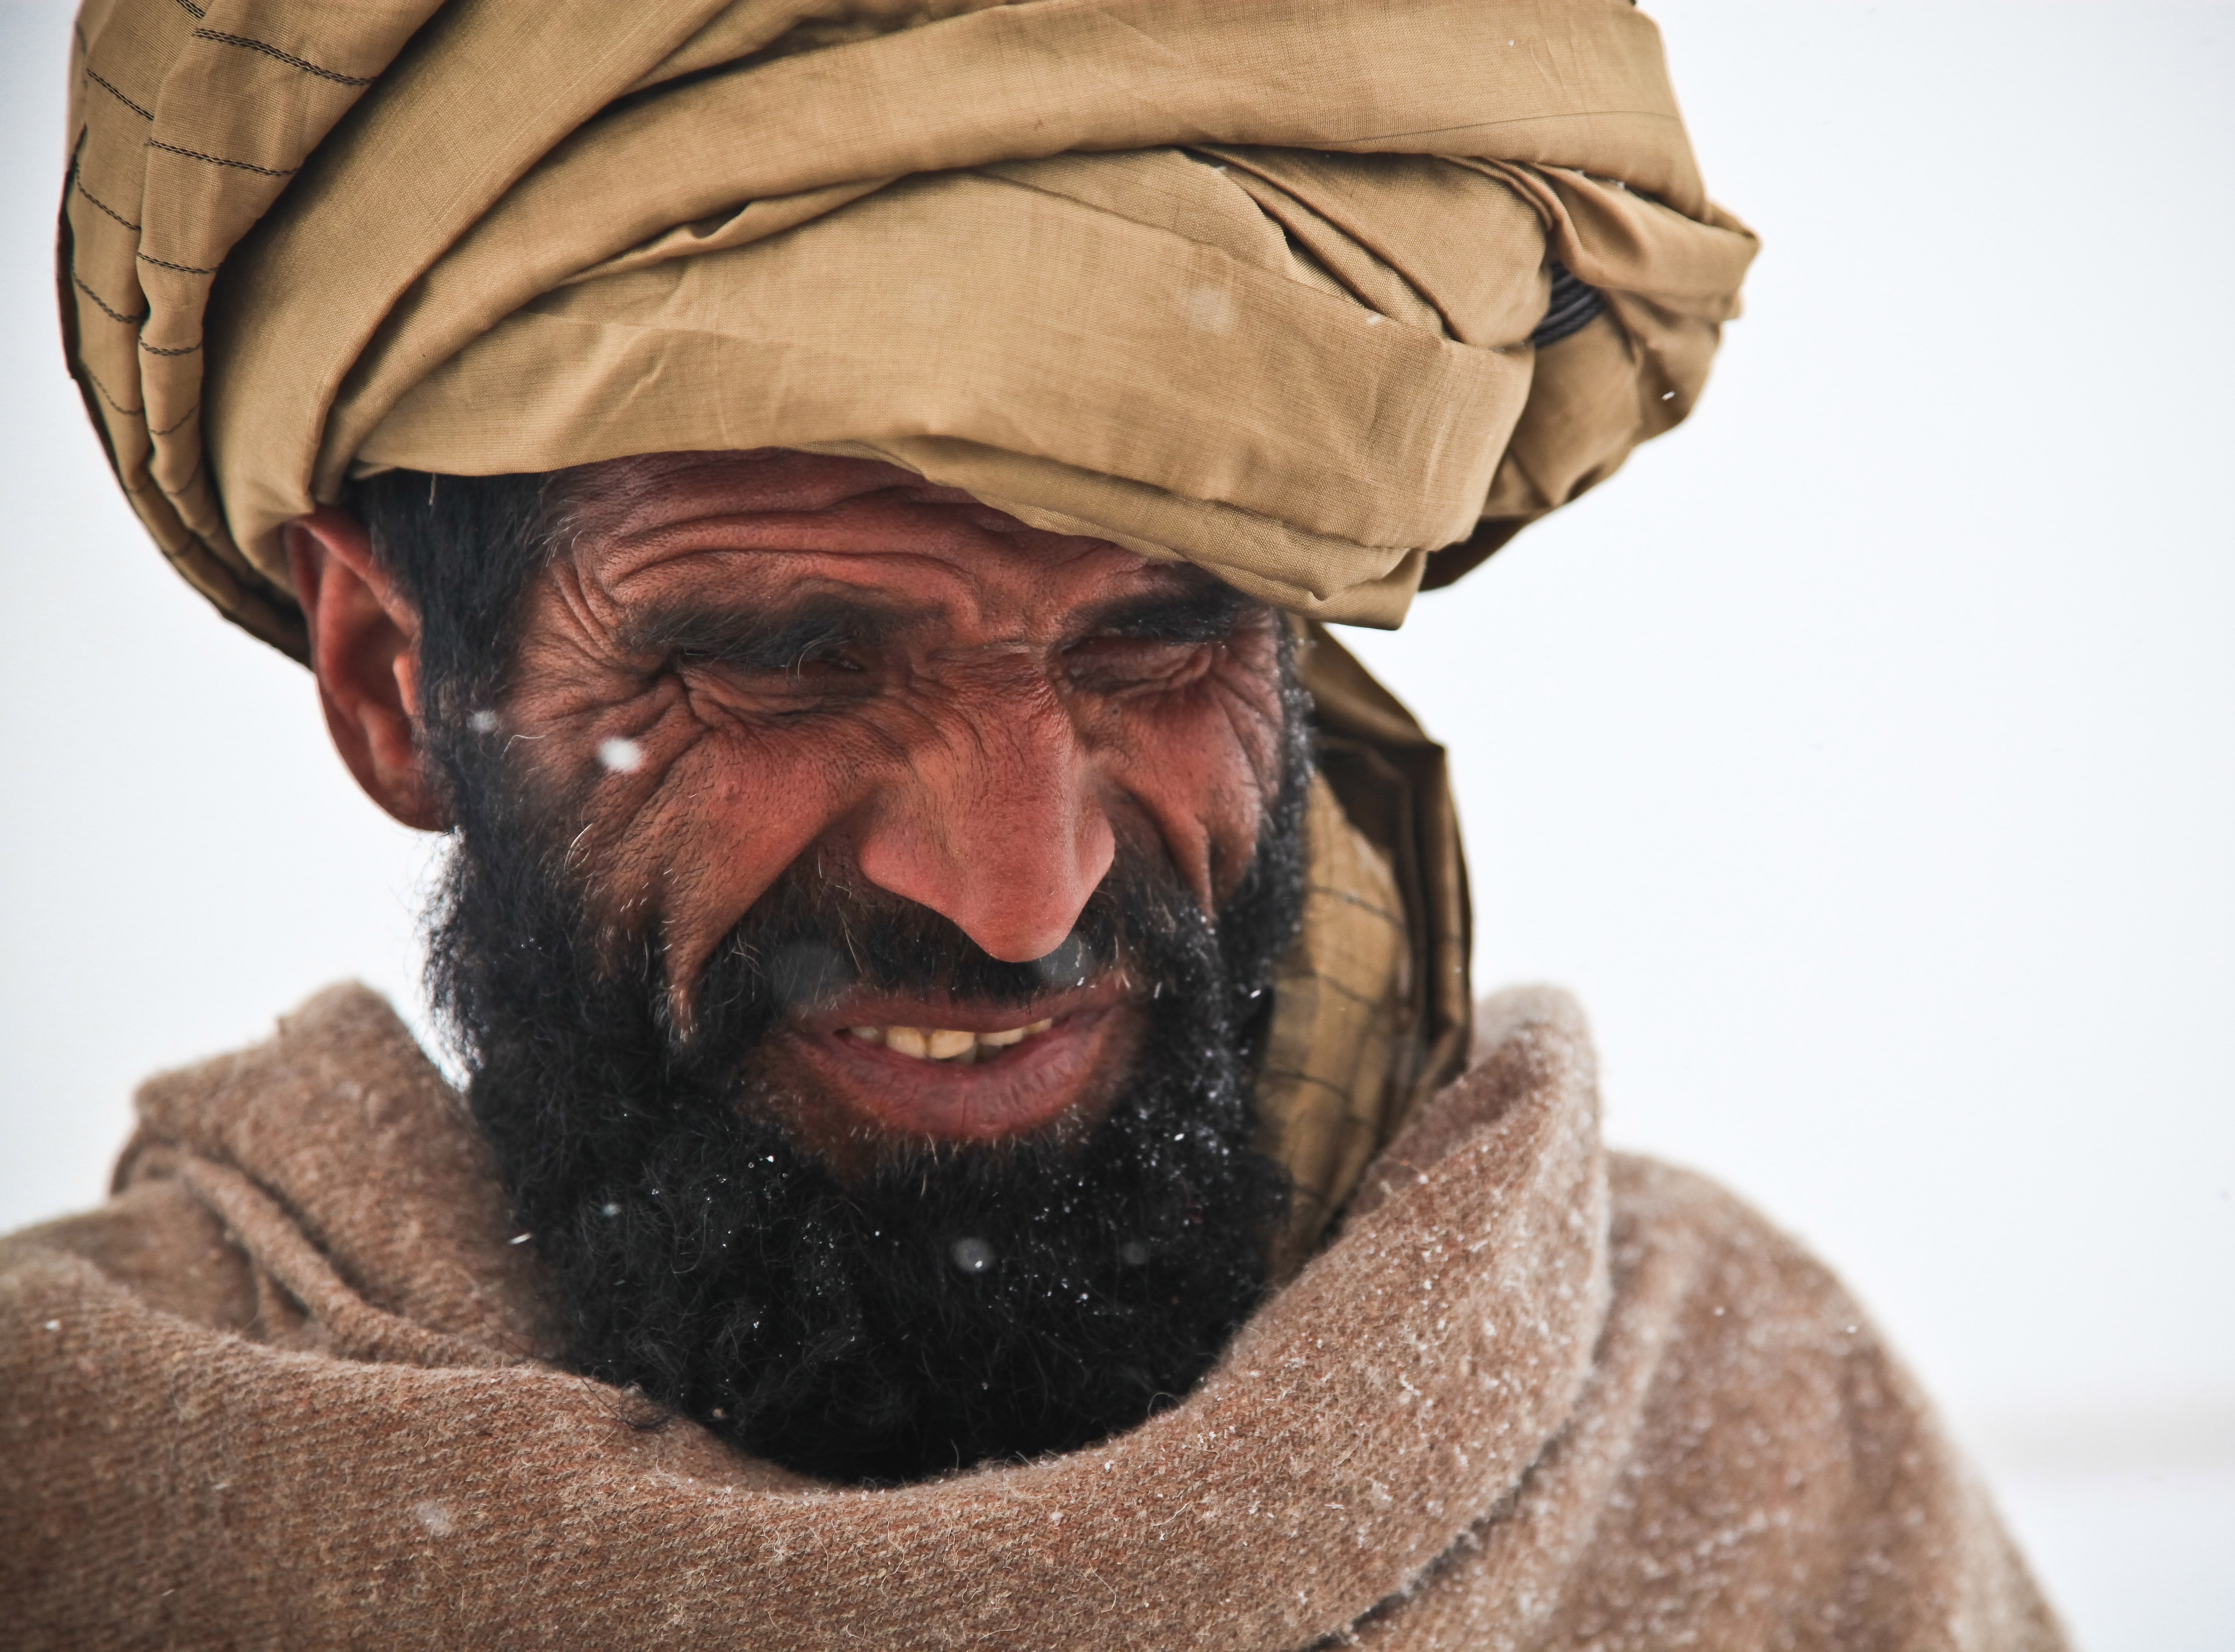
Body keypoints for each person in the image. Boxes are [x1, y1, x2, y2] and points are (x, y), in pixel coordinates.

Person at [4, 2, 2065, 1645]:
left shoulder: (1735, 1458)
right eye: (789, 663)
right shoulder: (74, 1501)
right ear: (393, 682)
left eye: (1158, 644)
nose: (1020, 897)